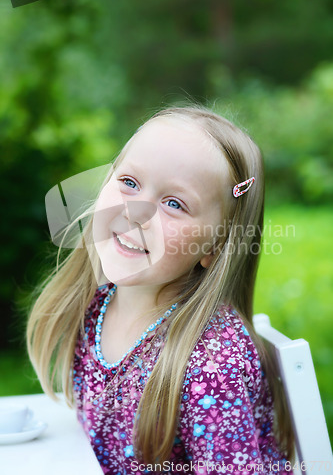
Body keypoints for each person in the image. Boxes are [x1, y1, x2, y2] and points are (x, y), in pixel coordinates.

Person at [27, 106, 293, 474]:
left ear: (214, 247)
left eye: (174, 204)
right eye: (130, 183)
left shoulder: (211, 365)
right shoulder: (94, 307)